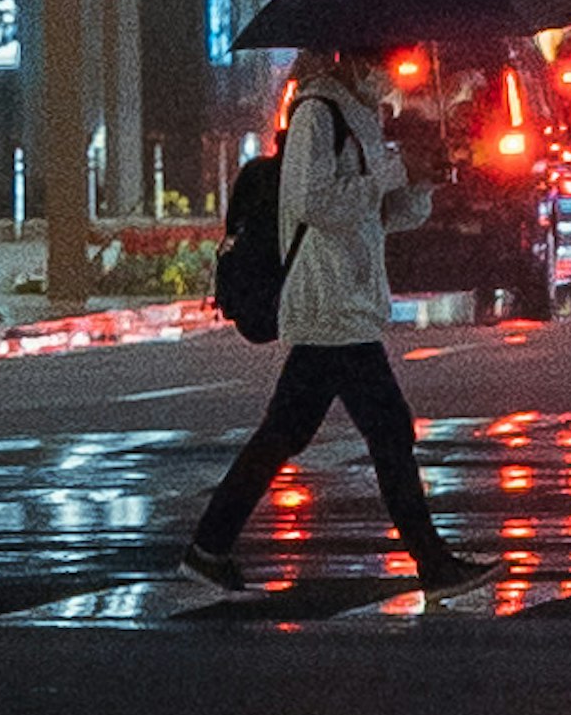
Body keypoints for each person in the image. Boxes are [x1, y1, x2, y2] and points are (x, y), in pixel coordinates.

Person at [183, 53, 474, 592]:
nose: (393, 67)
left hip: (350, 298)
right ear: (353, 57)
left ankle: (209, 544)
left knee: (285, 432)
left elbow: (381, 214)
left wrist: (423, 180)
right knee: (388, 430)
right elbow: (312, 202)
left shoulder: (364, 115)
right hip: (327, 300)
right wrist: (391, 170)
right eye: (384, 55)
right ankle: (433, 564)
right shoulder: (318, 112)